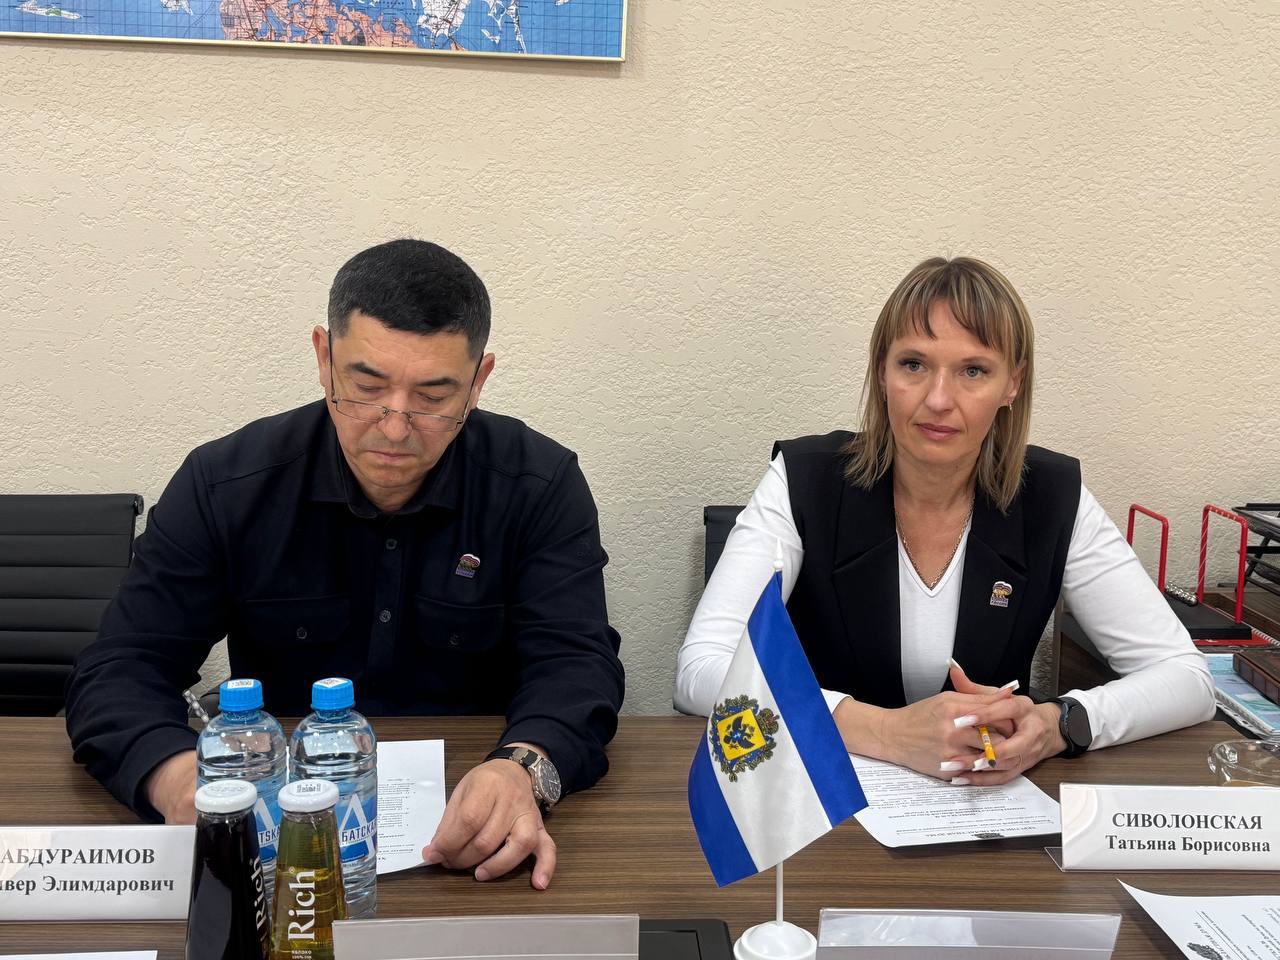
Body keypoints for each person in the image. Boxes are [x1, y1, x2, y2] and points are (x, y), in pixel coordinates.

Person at [66, 239, 625, 888]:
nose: (394, 427)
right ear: (323, 358)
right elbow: (122, 666)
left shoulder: (539, 484)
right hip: (275, 834)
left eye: (433, 396)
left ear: (478, 382)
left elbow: (575, 663)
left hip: (475, 828)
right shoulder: (226, 485)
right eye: (366, 388)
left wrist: (523, 769)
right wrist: (176, 778)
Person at [675, 256, 1214, 784]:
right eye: (913, 364)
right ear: (882, 372)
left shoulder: (1051, 496)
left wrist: (1055, 725)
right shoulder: (804, 480)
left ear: (1012, 384)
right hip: (819, 804)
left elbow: (1187, 679)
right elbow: (701, 669)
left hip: (981, 809)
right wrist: (884, 731)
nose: (938, 399)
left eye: (973, 371)